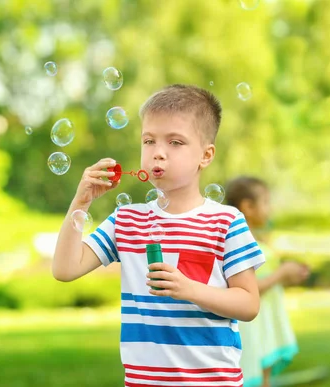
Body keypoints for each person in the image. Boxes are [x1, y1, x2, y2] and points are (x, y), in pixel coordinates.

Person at [53, 84, 266, 386]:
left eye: (176, 142)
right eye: (149, 140)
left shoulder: (226, 221)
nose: (159, 153)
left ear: (205, 155)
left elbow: (248, 305)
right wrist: (81, 202)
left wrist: (189, 289)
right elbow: (64, 269)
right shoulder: (127, 220)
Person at [225, 176, 310, 387]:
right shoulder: (238, 242)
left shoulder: (257, 239)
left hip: (266, 320)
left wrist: (289, 275)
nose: (270, 208)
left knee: (265, 376)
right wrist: (281, 273)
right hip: (252, 323)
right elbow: (246, 288)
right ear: (248, 206)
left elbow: (266, 280)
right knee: (255, 376)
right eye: (266, 202)